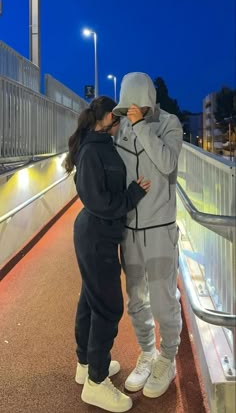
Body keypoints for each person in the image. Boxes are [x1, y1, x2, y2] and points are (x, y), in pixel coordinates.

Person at [64, 96, 150, 412]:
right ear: (109, 120)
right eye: (119, 121)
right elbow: (98, 201)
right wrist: (132, 196)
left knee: (91, 299)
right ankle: (96, 383)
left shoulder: (98, 143)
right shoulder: (92, 149)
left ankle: (86, 364)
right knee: (108, 306)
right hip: (95, 234)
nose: (121, 127)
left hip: (99, 234)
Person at [112, 72, 183, 398]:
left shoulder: (170, 123)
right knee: (136, 299)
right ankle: (147, 352)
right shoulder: (122, 125)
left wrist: (141, 127)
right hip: (129, 228)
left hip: (159, 227)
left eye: (132, 108)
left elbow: (167, 163)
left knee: (164, 298)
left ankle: (167, 356)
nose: (128, 113)